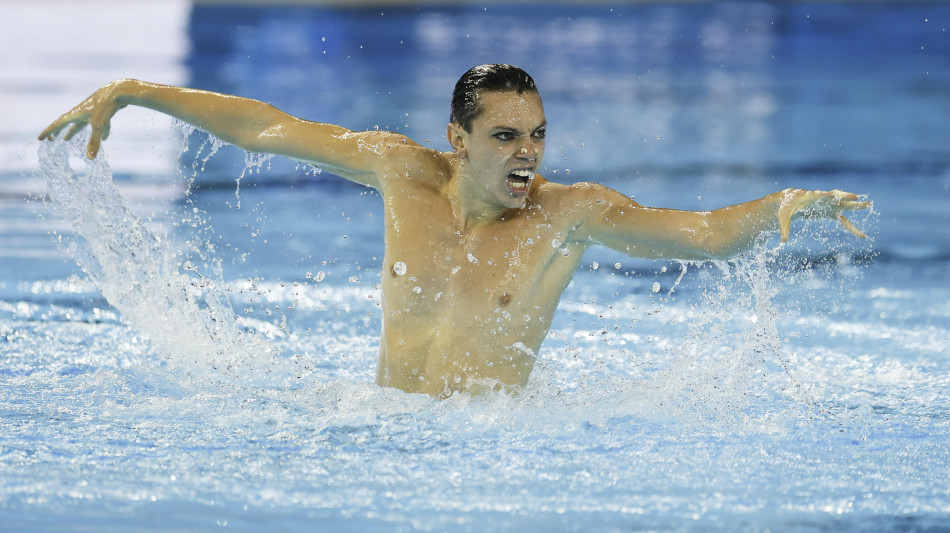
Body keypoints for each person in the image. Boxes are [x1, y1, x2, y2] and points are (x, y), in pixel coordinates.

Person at [39, 64, 871, 398]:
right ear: (457, 140)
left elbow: (700, 234)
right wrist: (138, 90)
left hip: (490, 457)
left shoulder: (568, 214)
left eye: (538, 134)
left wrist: (780, 207)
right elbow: (263, 126)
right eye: (507, 137)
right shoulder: (400, 173)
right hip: (381, 432)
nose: (529, 155)